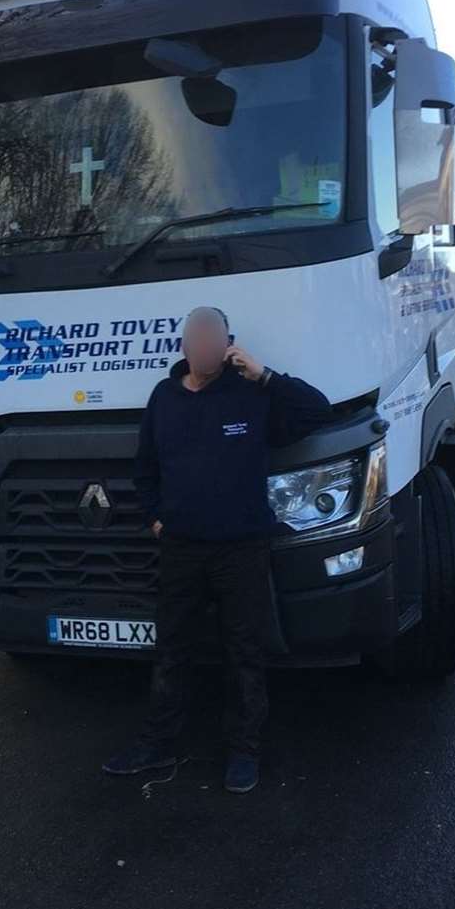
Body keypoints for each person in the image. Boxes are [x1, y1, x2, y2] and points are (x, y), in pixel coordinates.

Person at [103, 306, 331, 794]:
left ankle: (243, 752)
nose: (204, 349)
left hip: (241, 548)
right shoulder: (164, 398)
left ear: (227, 346)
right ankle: (157, 743)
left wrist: (265, 375)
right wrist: (156, 519)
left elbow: (317, 410)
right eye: (196, 340)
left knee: (244, 651)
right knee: (171, 650)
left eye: (214, 341)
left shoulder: (251, 396)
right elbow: (144, 471)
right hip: (181, 548)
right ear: (184, 346)